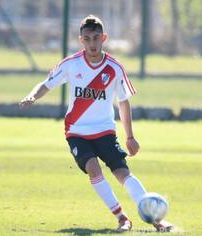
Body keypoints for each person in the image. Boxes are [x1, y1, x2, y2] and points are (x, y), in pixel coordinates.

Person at [20, 15, 173, 232]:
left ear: (104, 38)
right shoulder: (71, 64)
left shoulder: (114, 68)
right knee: (93, 168)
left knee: (122, 173)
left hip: (105, 131)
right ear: (81, 40)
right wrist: (32, 96)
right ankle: (122, 218)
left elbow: (123, 102)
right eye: (88, 39)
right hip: (76, 131)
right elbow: (46, 84)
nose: (92, 43)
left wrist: (129, 136)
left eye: (96, 38)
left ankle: (158, 220)